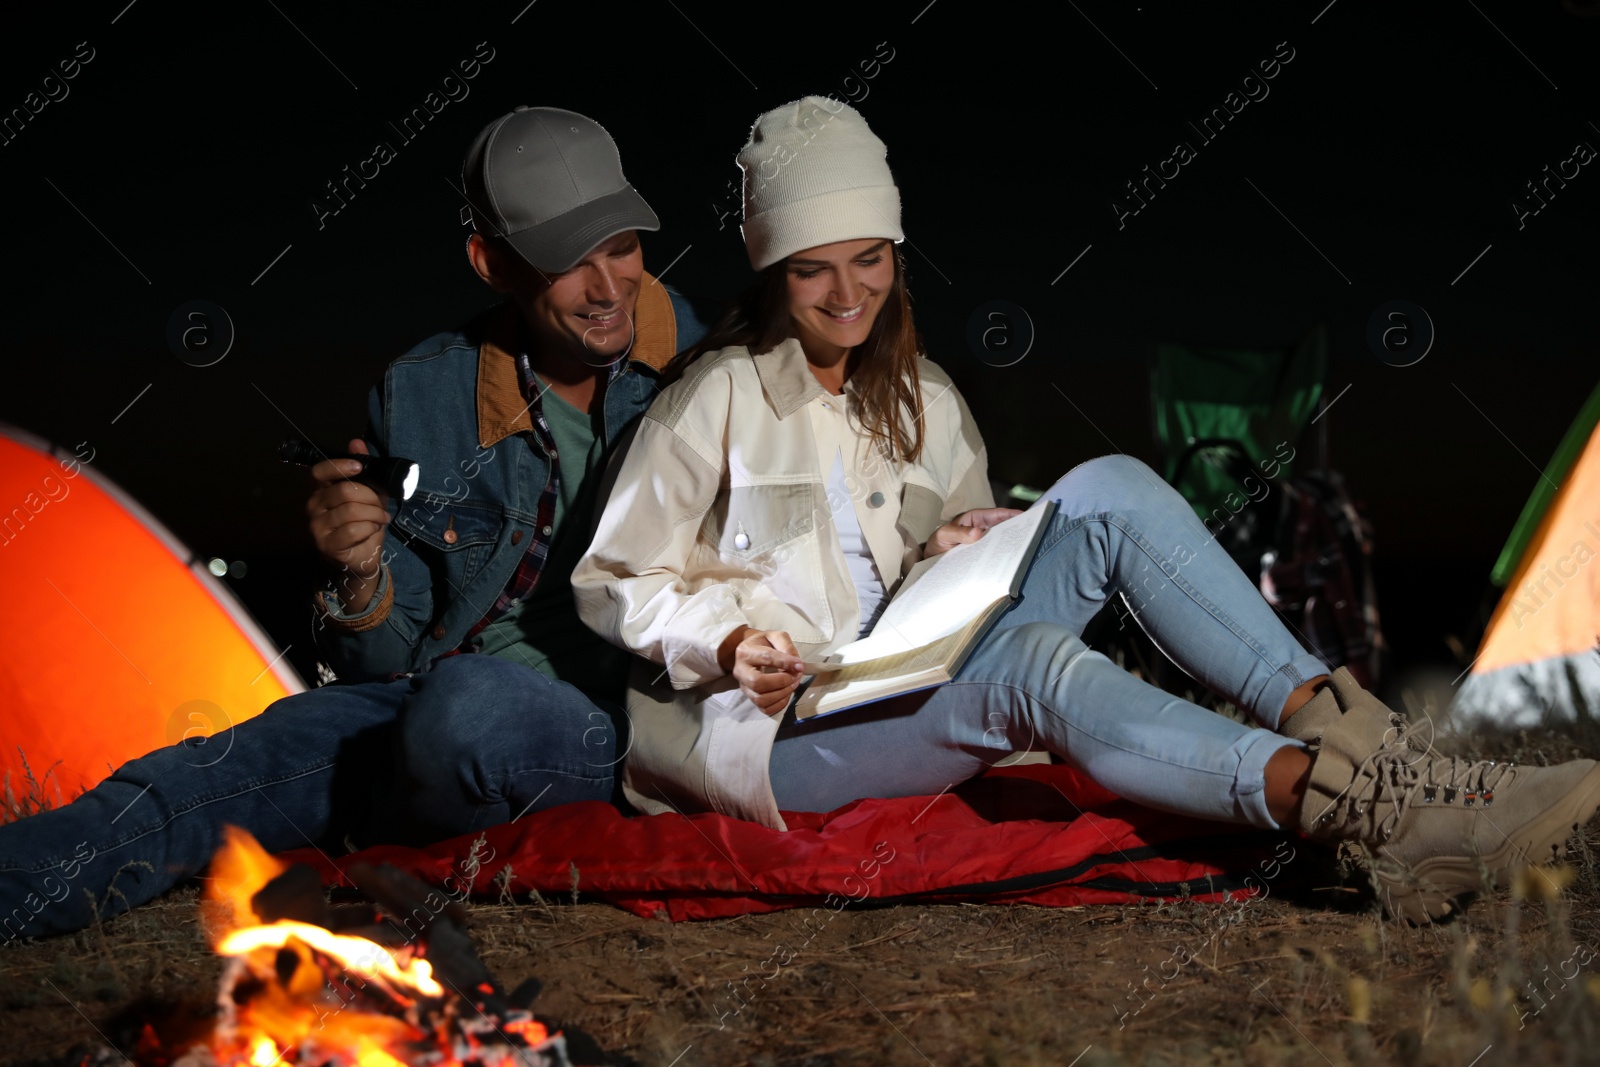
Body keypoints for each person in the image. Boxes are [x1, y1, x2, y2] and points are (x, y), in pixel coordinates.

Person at [571, 96, 1600, 923]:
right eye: (810, 267)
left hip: (901, 671)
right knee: (1027, 669)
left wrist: (954, 543)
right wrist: (729, 634)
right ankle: (1362, 813)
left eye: (868, 257)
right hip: (772, 731)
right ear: (768, 268)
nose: (847, 291)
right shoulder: (716, 399)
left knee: (1106, 484)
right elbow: (614, 580)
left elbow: (956, 588)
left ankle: (1370, 747)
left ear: (895, 249)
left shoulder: (928, 401)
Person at [0, 106, 708, 941]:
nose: (608, 286)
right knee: (198, 772)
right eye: (566, 261)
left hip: (605, 721)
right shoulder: (423, 392)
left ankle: (391, 809)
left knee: (465, 712)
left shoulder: (708, 374)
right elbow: (383, 660)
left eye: (621, 245)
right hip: (420, 701)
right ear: (492, 263)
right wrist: (361, 570)